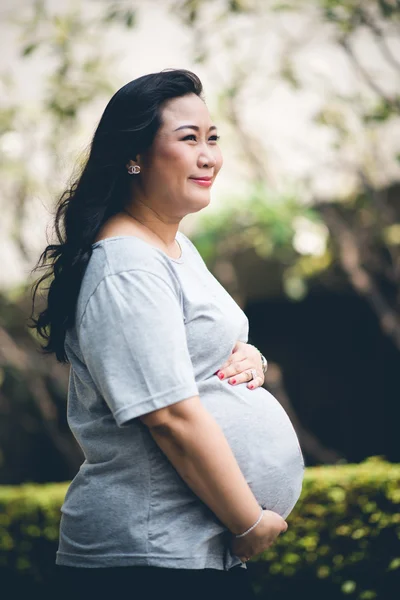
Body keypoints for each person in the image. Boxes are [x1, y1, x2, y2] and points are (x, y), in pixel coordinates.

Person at [30, 69, 305, 600]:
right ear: (135, 155)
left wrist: (250, 361)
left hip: (187, 551)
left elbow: (198, 359)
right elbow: (170, 416)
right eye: (188, 139)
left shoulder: (170, 248)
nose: (209, 156)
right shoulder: (128, 265)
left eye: (213, 138)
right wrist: (248, 521)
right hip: (148, 558)